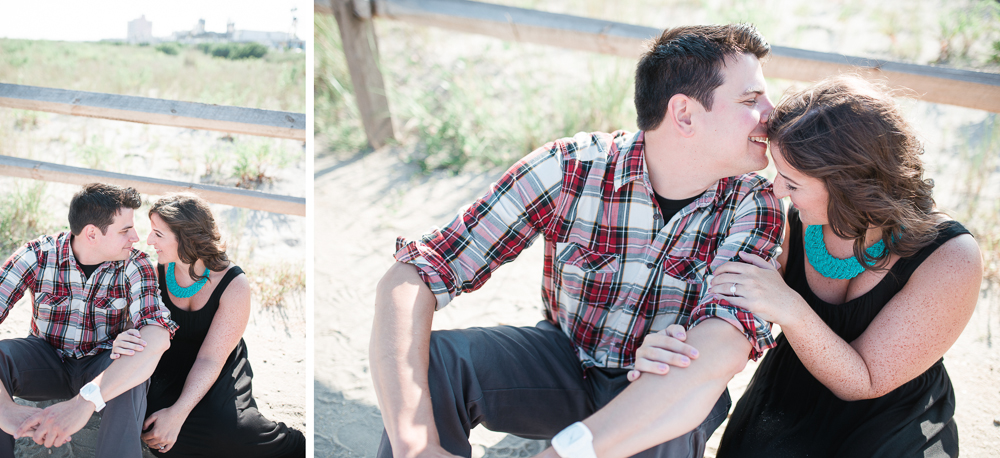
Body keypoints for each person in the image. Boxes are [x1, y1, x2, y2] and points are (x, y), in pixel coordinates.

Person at [372, 24, 783, 458]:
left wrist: (565, 453)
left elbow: (725, 344)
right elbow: (415, 272)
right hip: (566, 361)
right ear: (684, 114)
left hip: (665, 384)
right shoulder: (571, 168)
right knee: (438, 362)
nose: (772, 113)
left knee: (675, 416)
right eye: (751, 100)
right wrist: (414, 445)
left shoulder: (756, 204)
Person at [629, 76, 983, 457]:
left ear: (850, 186)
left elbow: (864, 380)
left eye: (792, 182)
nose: (777, 191)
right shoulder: (789, 223)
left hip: (892, 417)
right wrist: (673, 338)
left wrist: (789, 307)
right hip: (786, 398)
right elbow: (724, 307)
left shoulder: (950, 257)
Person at [110, 193, 305, 457]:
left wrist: (178, 412)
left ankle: (292, 444)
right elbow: (133, 325)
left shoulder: (233, 284)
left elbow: (211, 359)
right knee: (154, 423)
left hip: (216, 364)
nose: (149, 241)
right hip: (167, 363)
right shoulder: (153, 272)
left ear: (186, 237)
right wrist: (122, 336)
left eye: (158, 234)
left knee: (229, 431)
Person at [0, 183, 176, 458]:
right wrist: (5, 410)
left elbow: (158, 336)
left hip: (101, 364)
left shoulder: (136, 263)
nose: (136, 237)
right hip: (46, 360)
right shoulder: (38, 254)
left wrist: (85, 402)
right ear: (92, 233)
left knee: (134, 360)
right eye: (125, 230)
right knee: (2, 355)